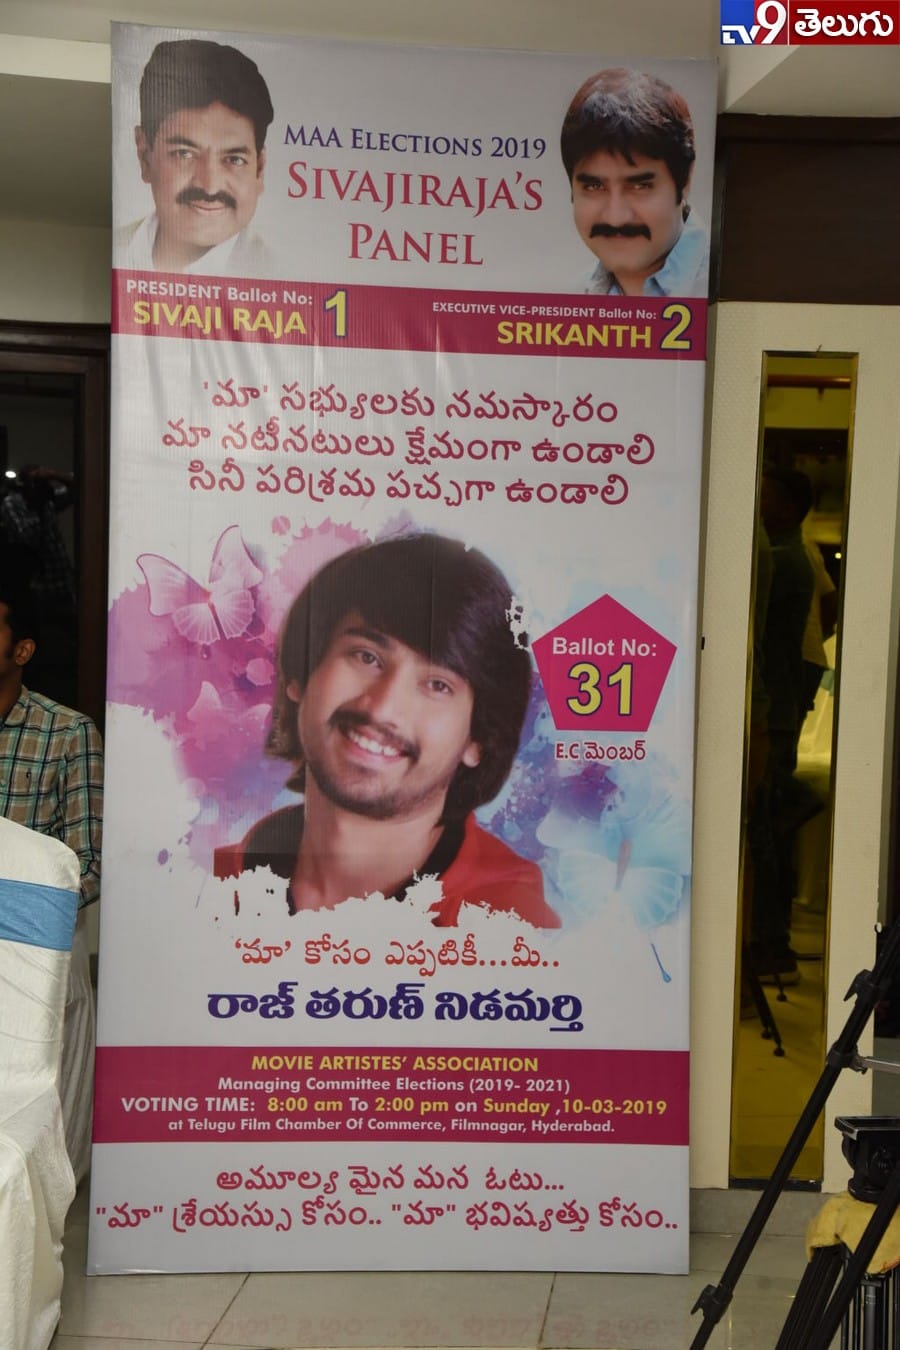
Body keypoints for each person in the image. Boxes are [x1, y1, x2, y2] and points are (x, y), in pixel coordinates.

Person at [215, 534, 560, 928]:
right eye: (367, 657)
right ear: (301, 673)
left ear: (478, 739)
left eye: (438, 685)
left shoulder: (510, 929)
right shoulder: (202, 888)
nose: (382, 708)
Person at [0, 579, 103, 1181]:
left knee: (40, 1127)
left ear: (22, 650)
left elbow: (89, 865)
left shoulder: (67, 733)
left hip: (37, 953)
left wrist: (15, 913)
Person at [116, 38, 275, 275]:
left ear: (259, 169)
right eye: (184, 153)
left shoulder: (290, 277)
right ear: (144, 155)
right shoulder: (112, 252)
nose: (210, 186)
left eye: (234, 159)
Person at [560, 67, 708, 299]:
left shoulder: (725, 280)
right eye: (594, 186)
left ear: (685, 181)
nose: (616, 218)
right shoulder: (568, 299)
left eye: (640, 186)